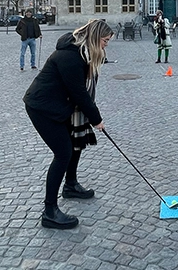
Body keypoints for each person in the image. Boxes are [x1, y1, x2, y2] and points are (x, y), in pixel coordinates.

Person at [24, 19, 112, 229]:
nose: (106, 45)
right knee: (63, 153)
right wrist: (96, 119)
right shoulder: (71, 56)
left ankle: (70, 185)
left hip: (59, 106)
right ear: (94, 38)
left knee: (74, 144)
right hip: (42, 108)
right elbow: (79, 93)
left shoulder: (83, 53)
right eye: (105, 41)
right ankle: (50, 211)